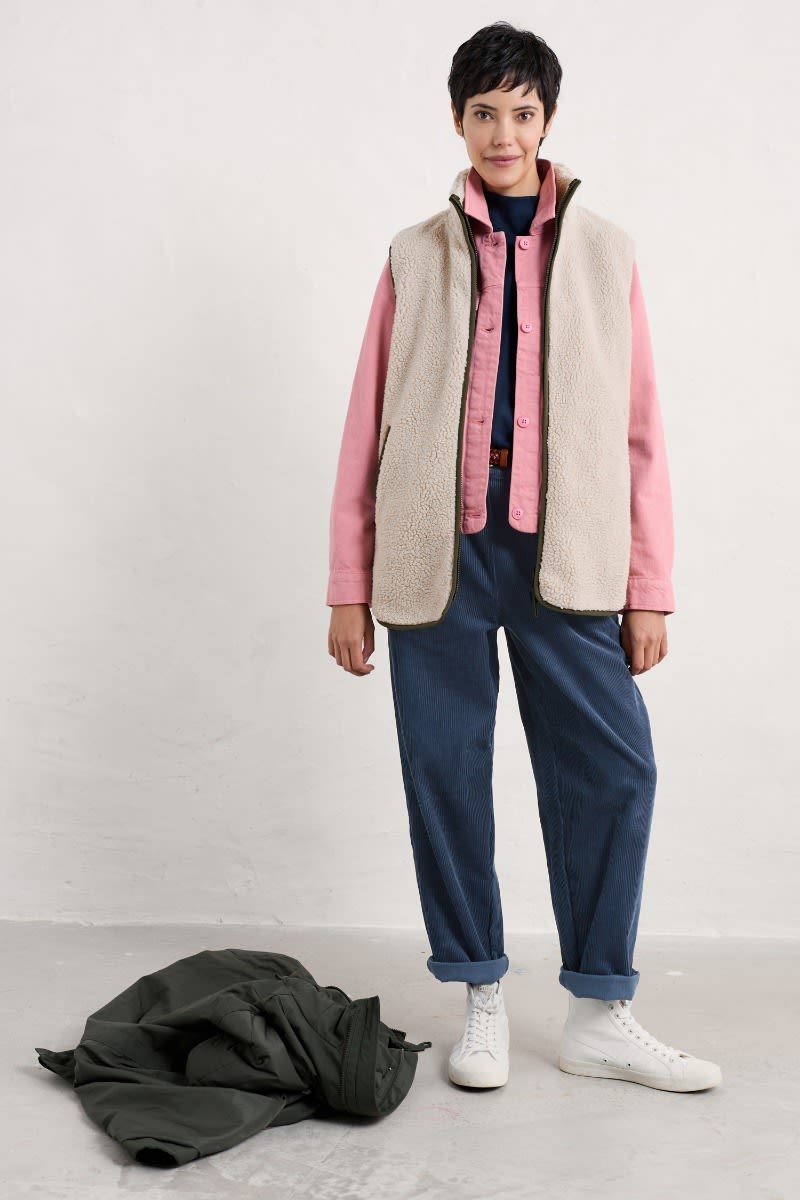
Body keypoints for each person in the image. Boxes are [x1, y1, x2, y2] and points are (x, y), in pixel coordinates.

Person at [326, 20, 721, 1094]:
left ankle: (599, 1011)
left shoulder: (605, 252)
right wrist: (348, 584)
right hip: (436, 559)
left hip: (569, 558)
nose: (503, 133)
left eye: (522, 112)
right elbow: (365, 425)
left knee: (613, 769)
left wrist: (648, 588)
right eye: (483, 113)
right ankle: (481, 998)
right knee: (444, 773)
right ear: (457, 122)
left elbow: (639, 430)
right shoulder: (412, 255)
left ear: (548, 120)